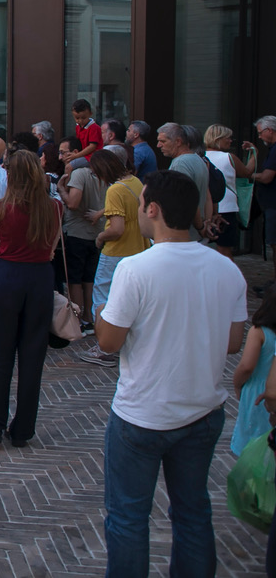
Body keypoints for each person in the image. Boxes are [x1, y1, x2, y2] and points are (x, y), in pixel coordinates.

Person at [95, 170, 246, 577]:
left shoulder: (135, 269)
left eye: (142, 203)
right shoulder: (227, 269)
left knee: (127, 518)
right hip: (203, 410)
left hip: (142, 414)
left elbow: (108, 341)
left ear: (154, 209)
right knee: (193, 511)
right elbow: (233, 343)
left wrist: (96, 313)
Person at [0, 150, 62, 448]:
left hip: (7, 278)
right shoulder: (54, 208)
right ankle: (23, 429)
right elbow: (52, 247)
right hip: (41, 278)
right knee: (33, 356)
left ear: (10, 175)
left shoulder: (0, 208)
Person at [77, 150, 148, 368]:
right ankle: (124, 342)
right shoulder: (135, 182)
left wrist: (101, 236)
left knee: (103, 300)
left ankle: (103, 348)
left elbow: (117, 228)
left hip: (116, 251)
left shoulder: (115, 190)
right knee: (130, 300)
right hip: (138, 248)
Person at [59, 149, 107, 330]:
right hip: (96, 233)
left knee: (75, 280)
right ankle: (89, 316)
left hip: (77, 232)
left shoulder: (80, 174)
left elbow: (73, 203)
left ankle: (77, 319)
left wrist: (63, 190)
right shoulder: (104, 177)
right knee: (90, 278)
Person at [230, 292, 276, 456]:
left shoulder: (259, 331)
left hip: (258, 392)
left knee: (251, 444)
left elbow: (246, 366)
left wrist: (236, 384)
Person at [157, 122, 212, 243]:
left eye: (163, 141)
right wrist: (206, 223)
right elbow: (207, 196)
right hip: (195, 235)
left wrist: (201, 227)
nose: (158, 145)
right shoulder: (198, 159)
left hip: (184, 235)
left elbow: (188, 199)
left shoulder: (180, 163)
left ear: (178, 141)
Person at [204, 123, 252, 259]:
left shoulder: (200, 157)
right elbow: (247, 172)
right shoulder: (229, 157)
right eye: (228, 138)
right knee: (225, 250)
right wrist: (254, 153)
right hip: (227, 208)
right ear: (218, 139)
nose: (231, 141)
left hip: (206, 207)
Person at [245, 116, 276, 294]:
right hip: (270, 205)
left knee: (275, 244)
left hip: (273, 206)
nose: (260, 136)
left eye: (260, 133)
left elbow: (266, 177)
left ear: (269, 130)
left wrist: (246, 175)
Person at [62, 99, 100, 164]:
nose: (80, 121)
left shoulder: (93, 127)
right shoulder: (78, 127)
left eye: (83, 118)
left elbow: (92, 146)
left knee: (70, 166)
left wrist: (77, 155)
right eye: (77, 118)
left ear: (90, 114)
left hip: (92, 157)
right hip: (83, 155)